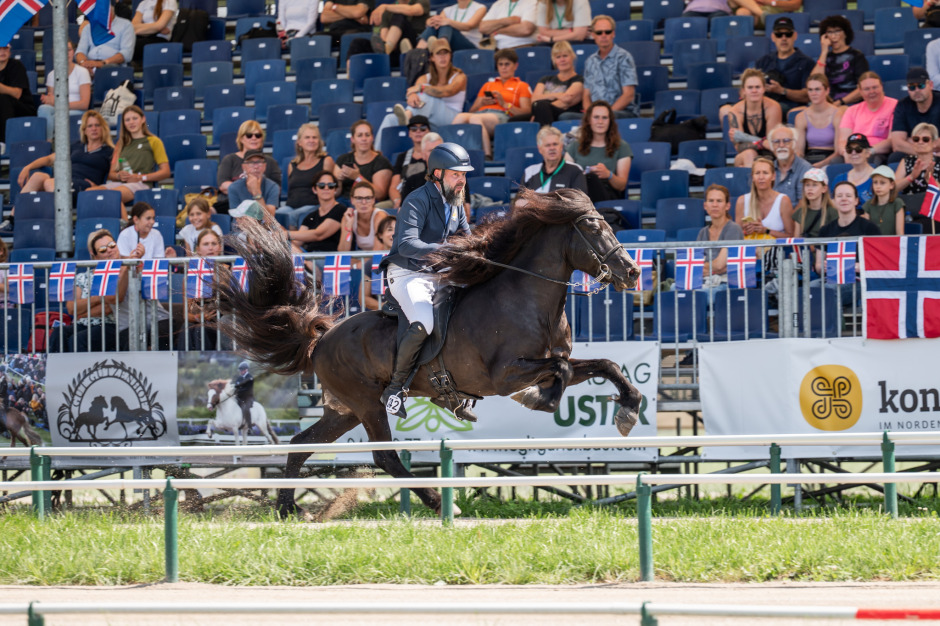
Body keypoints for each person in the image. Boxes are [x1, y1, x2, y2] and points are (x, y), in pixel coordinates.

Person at [378, 142, 476, 422]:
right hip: (407, 271)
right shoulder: (417, 199)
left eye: (464, 175)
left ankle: (445, 390)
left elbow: (468, 240)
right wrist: (446, 251)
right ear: (437, 173)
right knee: (425, 324)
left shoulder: (457, 204)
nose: (462, 180)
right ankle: (395, 389)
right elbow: (407, 244)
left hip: (436, 273)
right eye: (457, 174)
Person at [12, 111, 113, 230]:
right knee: (38, 176)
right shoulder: (76, 146)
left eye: (97, 125)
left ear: (103, 128)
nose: (94, 129)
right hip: (63, 182)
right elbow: (50, 159)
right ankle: (12, 219)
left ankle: (56, 223)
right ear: (84, 130)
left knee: (50, 182)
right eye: (90, 126)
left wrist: (98, 186)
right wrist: (28, 167)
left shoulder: (109, 151)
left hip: (83, 185)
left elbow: (113, 175)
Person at [50, 229, 130, 353]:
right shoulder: (82, 276)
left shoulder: (122, 272)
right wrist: (98, 298)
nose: (109, 250)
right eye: (103, 249)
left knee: (78, 339)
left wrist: (82, 312)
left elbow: (109, 308)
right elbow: (72, 308)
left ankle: (78, 372)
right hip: (84, 324)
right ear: (95, 255)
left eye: (112, 245)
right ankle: (57, 371)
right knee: (59, 333)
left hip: (110, 324)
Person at [379, 37, 466, 140]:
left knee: (427, 95)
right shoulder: (424, 78)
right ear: (431, 58)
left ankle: (407, 116)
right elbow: (413, 91)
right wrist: (412, 96)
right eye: (438, 53)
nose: (442, 57)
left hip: (452, 118)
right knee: (390, 118)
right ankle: (377, 152)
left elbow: (448, 91)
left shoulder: (460, 76)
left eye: (445, 53)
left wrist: (421, 89)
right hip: (428, 119)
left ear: (450, 55)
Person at [452, 48, 532, 157]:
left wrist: (505, 104)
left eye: (507, 64)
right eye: (500, 64)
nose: (503, 67)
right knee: (460, 117)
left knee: (475, 119)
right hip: (482, 113)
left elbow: (526, 112)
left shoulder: (522, 86)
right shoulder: (488, 85)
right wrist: (482, 103)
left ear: (515, 66)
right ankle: (451, 154)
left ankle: (487, 155)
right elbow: (472, 111)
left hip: (502, 116)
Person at [91, 105, 171, 214]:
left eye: (135, 118)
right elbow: (111, 173)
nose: (131, 122)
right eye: (127, 120)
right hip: (120, 184)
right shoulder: (120, 144)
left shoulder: (154, 141)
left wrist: (139, 177)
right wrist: (119, 175)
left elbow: (165, 171)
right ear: (124, 123)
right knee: (89, 193)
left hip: (141, 184)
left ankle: (124, 224)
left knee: (113, 196)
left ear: (143, 119)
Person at [568, 16, 638, 120]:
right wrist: (590, 114)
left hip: (620, 112)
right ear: (593, 35)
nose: (603, 36)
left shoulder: (624, 57)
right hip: (596, 114)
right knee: (565, 117)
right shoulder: (590, 61)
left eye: (607, 32)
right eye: (599, 33)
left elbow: (628, 95)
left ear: (613, 34)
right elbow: (586, 95)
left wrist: (606, 115)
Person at [564, 100, 630, 202]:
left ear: (610, 121)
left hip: (608, 196)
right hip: (580, 195)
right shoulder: (574, 146)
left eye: (604, 118)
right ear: (589, 120)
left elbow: (621, 185)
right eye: (596, 117)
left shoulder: (621, 146)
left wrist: (609, 175)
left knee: (591, 178)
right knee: (587, 179)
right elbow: (567, 179)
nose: (600, 122)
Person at [721, 68, 783, 168]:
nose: (754, 91)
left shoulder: (773, 107)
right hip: (745, 155)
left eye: (757, 87)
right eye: (750, 87)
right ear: (743, 91)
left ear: (764, 89)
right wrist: (762, 142)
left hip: (769, 155)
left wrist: (749, 139)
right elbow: (739, 147)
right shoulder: (735, 111)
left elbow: (772, 144)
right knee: (749, 154)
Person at [754, 17, 814, 117]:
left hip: (791, 107)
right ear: (773, 37)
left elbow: (808, 96)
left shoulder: (807, 63)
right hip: (763, 104)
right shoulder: (762, 61)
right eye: (779, 34)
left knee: (771, 108)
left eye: (788, 34)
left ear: (795, 36)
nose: (783, 38)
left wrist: (782, 91)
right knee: (727, 110)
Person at [217, 120, 282, 213]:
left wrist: (256, 191)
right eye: (249, 135)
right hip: (229, 202)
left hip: (263, 203)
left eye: (258, 135)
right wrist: (247, 187)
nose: (254, 138)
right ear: (241, 138)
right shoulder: (229, 159)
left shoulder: (271, 162)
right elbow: (223, 185)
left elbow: (275, 189)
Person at [837, 72, 896, 166]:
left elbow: (892, 140)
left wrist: (869, 151)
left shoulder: (894, 106)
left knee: (873, 160)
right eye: (867, 89)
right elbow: (842, 141)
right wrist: (846, 153)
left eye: (875, 87)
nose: (872, 92)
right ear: (860, 91)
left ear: (882, 87)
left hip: (877, 152)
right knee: (836, 162)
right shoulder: (852, 110)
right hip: (854, 152)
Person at [284, 123, 336, 227]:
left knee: (292, 216)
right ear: (299, 142)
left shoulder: (326, 161)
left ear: (319, 141)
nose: (311, 140)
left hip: (314, 205)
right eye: (307, 137)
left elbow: (330, 187)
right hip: (291, 206)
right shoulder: (292, 165)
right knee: (277, 214)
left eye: (314, 137)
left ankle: (293, 243)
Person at [520, 40, 583, 126]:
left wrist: (540, 108)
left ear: (572, 57)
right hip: (543, 111)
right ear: (554, 60)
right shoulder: (545, 79)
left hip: (564, 112)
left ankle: (547, 136)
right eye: (558, 57)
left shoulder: (579, 79)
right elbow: (534, 99)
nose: (562, 60)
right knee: (514, 120)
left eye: (565, 56)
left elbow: (565, 102)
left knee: (540, 105)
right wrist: (556, 95)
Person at [36, 40, 91, 137]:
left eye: (69, 50)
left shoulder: (82, 72)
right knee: (43, 109)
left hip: (77, 111)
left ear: (73, 52)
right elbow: (51, 102)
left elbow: (84, 104)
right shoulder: (51, 75)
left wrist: (59, 103)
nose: (66, 53)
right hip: (59, 110)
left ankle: (54, 144)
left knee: (57, 117)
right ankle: (48, 143)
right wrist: (48, 100)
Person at [697, 184, 743, 296]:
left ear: (727, 206)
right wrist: (715, 268)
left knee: (698, 295)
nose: (715, 205)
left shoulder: (733, 228)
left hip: (726, 283)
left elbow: (720, 264)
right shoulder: (703, 232)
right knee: (674, 288)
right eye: (711, 201)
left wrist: (709, 268)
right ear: (705, 206)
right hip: (704, 282)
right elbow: (696, 266)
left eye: (719, 201)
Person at [735, 156, 794, 238]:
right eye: (757, 173)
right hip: (751, 249)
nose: (761, 177)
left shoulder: (783, 201)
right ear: (752, 177)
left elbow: (790, 236)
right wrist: (746, 231)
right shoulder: (742, 201)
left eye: (765, 173)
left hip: (777, 250)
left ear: (773, 176)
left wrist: (766, 231)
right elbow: (736, 236)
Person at [287, 171, 346, 252]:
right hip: (310, 258)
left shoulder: (341, 210)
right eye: (321, 185)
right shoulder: (310, 216)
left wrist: (286, 234)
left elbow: (318, 234)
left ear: (335, 189)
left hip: (330, 259)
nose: (326, 188)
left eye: (331, 185)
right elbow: (297, 242)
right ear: (314, 189)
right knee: (287, 248)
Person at [894, 122, 940, 228]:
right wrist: (911, 177)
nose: (920, 142)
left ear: (934, 143)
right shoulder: (906, 161)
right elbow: (892, 188)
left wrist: (931, 181)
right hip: (909, 212)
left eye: (925, 139)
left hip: (933, 215)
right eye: (916, 139)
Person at [334, 120, 393, 201]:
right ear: (352, 139)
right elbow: (334, 194)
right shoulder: (342, 159)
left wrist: (357, 177)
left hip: (367, 203)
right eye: (359, 135)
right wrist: (339, 181)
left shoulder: (381, 162)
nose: (364, 139)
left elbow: (380, 195)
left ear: (372, 138)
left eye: (367, 135)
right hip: (344, 202)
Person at [816, 15, 868, 107]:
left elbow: (863, 88)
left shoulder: (856, 56)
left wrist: (840, 102)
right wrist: (824, 52)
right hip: (827, 104)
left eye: (837, 31)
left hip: (850, 104)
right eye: (830, 32)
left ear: (845, 33)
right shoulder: (824, 57)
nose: (833, 36)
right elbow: (814, 81)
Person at [793, 73, 844, 167]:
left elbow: (838, 151)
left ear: (827, 90)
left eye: (817, 89)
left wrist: (820, 165)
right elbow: (799, 151)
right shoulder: (801, 117)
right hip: (810, 157)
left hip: (831, 160)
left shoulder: (837, 114)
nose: (813, 93)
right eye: (810, 90)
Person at [889, 67, 940, 161]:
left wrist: (910, 140)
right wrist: (927, 153)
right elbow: (897, 144)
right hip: (929, 153)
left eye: (921, 86)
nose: (916, 90)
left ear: (931, 85)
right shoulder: (902, 105)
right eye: (912, 87)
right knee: (894, 157)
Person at [522, 126, 587, 193]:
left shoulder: (575, 170)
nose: (552, 148)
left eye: (555, 144)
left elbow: (580, 201)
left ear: (561, 146)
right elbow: (520, 200)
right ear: (540, 149)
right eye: (547, 145)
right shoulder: (530, 172)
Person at [385, 117, 431, 210]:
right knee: (379, 209)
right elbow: (394, 187)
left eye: (422, 128)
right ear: (409, 133)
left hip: (427, 200)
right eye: (413, 129)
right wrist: (397, 200)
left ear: (429, 132)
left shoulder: (434, 155)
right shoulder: (402, 157)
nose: (418, 131)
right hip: (404, 200)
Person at [75, 5, 135, 73]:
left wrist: (102, 63)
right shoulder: (88, 27)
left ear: (111, 9)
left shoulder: (126, 25)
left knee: (107, 69)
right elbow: (80, 51)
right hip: (89, 65)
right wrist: (84, 63)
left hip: (112, 65)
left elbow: (126, 54)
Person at [0, 44, 36, 145]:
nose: (3, 51)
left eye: (5, 48)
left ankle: (3, 142)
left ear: (10, 51)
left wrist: (1, 87)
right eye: (0, 48)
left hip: (23, 108)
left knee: (3, 99)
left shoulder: (16, 65)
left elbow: (17, 94)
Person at [768, 124, 812, 208]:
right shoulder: (768, 169)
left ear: (794, 144)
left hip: (794, 219)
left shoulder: (806, 169)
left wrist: (788, 220)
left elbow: (803, 204)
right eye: (776, 142)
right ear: (771, 146)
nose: (781, 145)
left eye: (786, 141)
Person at [339, 180, 390, 251]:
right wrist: (348, 226)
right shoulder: (348, 217)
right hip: (367, 259)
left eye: (368, 198)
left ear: (373, 200)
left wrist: (359, 262)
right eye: (359, 198)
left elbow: (378, 251)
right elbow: (343, 252)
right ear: (352, 200)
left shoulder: (380, 216)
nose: (364, 202)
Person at [416, 0, 487, 51]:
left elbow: (468, 26)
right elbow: (437, 24)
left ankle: (440, 48)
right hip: (451, 43)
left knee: (446, 24)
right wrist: (431, 21)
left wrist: (449, 22)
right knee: (438, 24)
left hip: (470, 44)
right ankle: (417, 52)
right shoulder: (447, 10)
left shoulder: (480, 8)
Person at [228, 149, 280, 216]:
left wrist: (257, 193)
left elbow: (270, 219)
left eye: (259, 162)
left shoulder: (273, 186)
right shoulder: (234, 187)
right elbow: (238, 219)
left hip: (264, 226)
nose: (256, 167)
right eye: (251, 163)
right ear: (244, 167)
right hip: (242, 225)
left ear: (265, 166)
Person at [363, 215, 397, 311]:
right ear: (380, 235)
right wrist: (385, 307)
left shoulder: (410, 260)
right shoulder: (371, 263)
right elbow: (364, 297)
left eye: (397, 229)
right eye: (389, 229)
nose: (394, 233)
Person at [792, 168, 837, 238]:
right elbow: (796, 241)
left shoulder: (832, 212)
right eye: (807, 185)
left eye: (814, 185)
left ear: (824, 189)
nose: (810, 188)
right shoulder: (800, 213)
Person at [861, 165, 905, 236]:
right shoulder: (868, 205)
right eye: (875, 182)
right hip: (873, 244)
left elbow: (900, 233)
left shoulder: (897, 203)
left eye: (882, 183)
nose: (878, 186)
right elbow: (866, 233)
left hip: (892, 244)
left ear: (891, 185)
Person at [132, 0, 178, 67]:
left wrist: (139, 30)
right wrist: (155, 27)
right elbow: (133, 26)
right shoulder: (143, 3)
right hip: (142, 38)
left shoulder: (170, 2)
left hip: (160, 39)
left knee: (130, 47)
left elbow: (160, 25)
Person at [832, 133, 875, 204]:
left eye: (858, 149)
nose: (853, 153)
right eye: (849, 150)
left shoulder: (878, 179)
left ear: (868, 152)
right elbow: (832, 204)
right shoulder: (839, 179)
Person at [231, 361, 255, 433]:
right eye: (240, 370)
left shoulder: (250, 378)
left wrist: (238, 390)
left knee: (246, 409)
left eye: (242, 370)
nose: (240, 371)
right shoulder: (239, 378)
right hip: (240, 398)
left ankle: (250, 427)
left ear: (246, 370)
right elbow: (236, 387)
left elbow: (247, 389)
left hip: (248, 398)